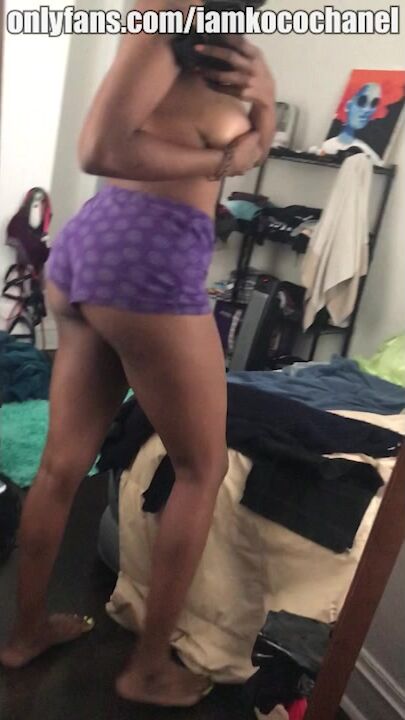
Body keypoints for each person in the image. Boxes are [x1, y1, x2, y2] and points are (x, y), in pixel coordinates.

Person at [0, 0, 275, 706]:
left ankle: (25, 634)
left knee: (60, 463)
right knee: (202, 468)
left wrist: (264, 108)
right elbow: (99, 148)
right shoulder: (166, 15)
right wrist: (232, 152)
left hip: (94, 246)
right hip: (150, 257)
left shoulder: (202, 40)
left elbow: (239, 145)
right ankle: (148, 668)